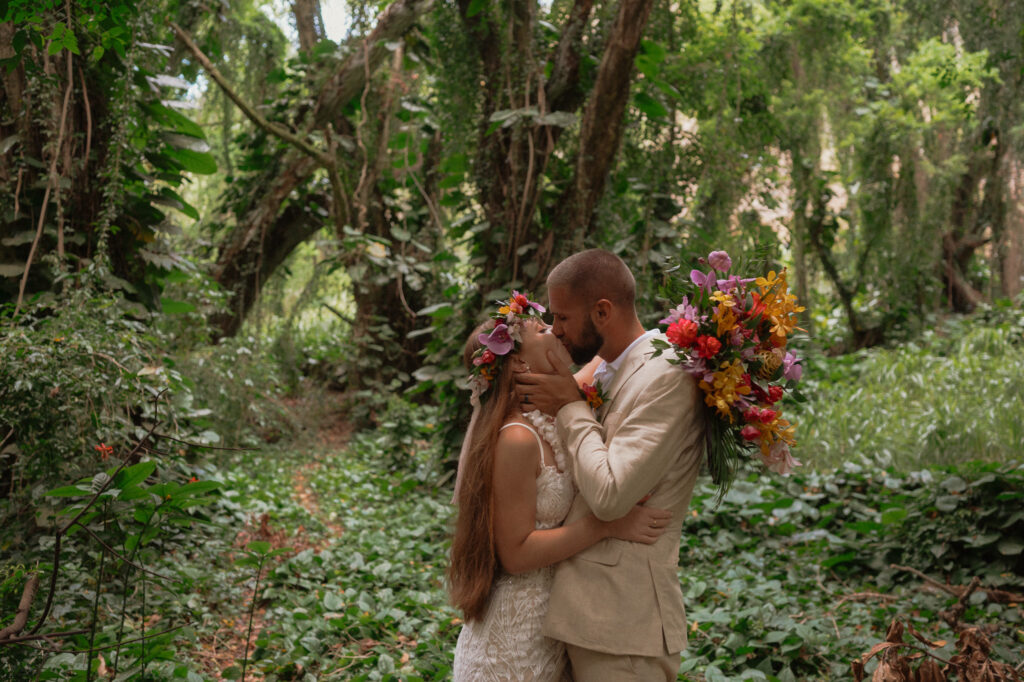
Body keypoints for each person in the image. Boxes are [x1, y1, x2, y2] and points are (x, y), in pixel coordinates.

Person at [449, 293, 673, 681]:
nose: (556, 330)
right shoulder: (517, 439)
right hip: (513, 643)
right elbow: (516, 554)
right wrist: (607, 525)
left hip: (554, 627)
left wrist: (701, 335)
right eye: (542, 329)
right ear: (519, 363)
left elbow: (615, 347)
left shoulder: (552, 409)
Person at [515, 249, 706, 681]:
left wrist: (569, 406)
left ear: (602, 311)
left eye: (562, 318)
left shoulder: (667, 374)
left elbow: (610, 495)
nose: (555, 330)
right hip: (582, 615)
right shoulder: (608, 365)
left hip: (625, 627)